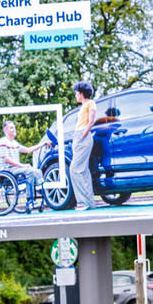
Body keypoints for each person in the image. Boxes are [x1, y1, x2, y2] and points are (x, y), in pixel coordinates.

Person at [0, 120, 50, 212]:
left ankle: (38, 192)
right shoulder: (3, 142)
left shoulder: (14, 143)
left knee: (37, 171)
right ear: (5, 130)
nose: (14, 129)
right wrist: (22, 166)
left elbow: (28, 150)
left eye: (14, 127)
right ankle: (30, 199)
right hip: (7, 170)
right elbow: (6, 160)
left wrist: (42, 144)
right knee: (29, 171)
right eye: (11, 128)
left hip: (15, 169)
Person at [69, 80, 96, 211]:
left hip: (83, 137)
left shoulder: (90, 103)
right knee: (83, 171)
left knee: (74, 169)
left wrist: (83, 134)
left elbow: (91, 121)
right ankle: (90, 202)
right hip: (79, 136)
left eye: (76, 93)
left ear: (82, 93)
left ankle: (82, 202)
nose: (75, 95)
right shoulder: (83, 106)